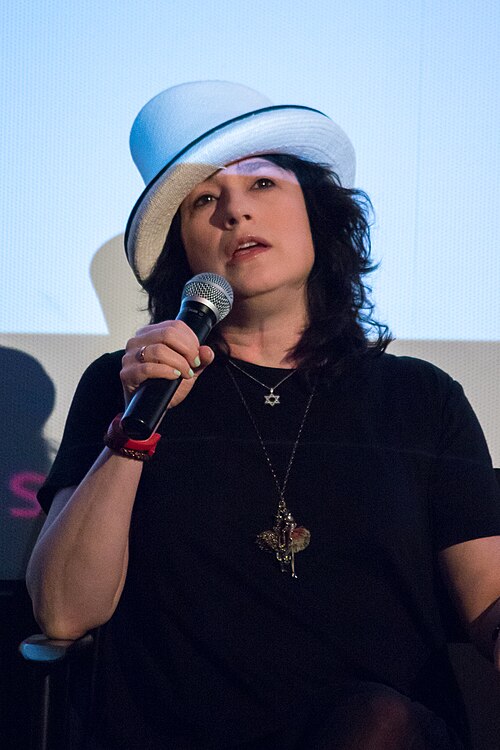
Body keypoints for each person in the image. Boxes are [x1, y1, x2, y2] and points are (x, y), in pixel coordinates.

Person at [27, 81, 500, 749]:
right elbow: (65, 613)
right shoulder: (123, 385)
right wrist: (132, 436)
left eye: (263, 185)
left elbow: (488, 598)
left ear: (320, 215)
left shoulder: (421, 398)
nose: (234, 214)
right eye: (204, 201)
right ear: (184, 252)